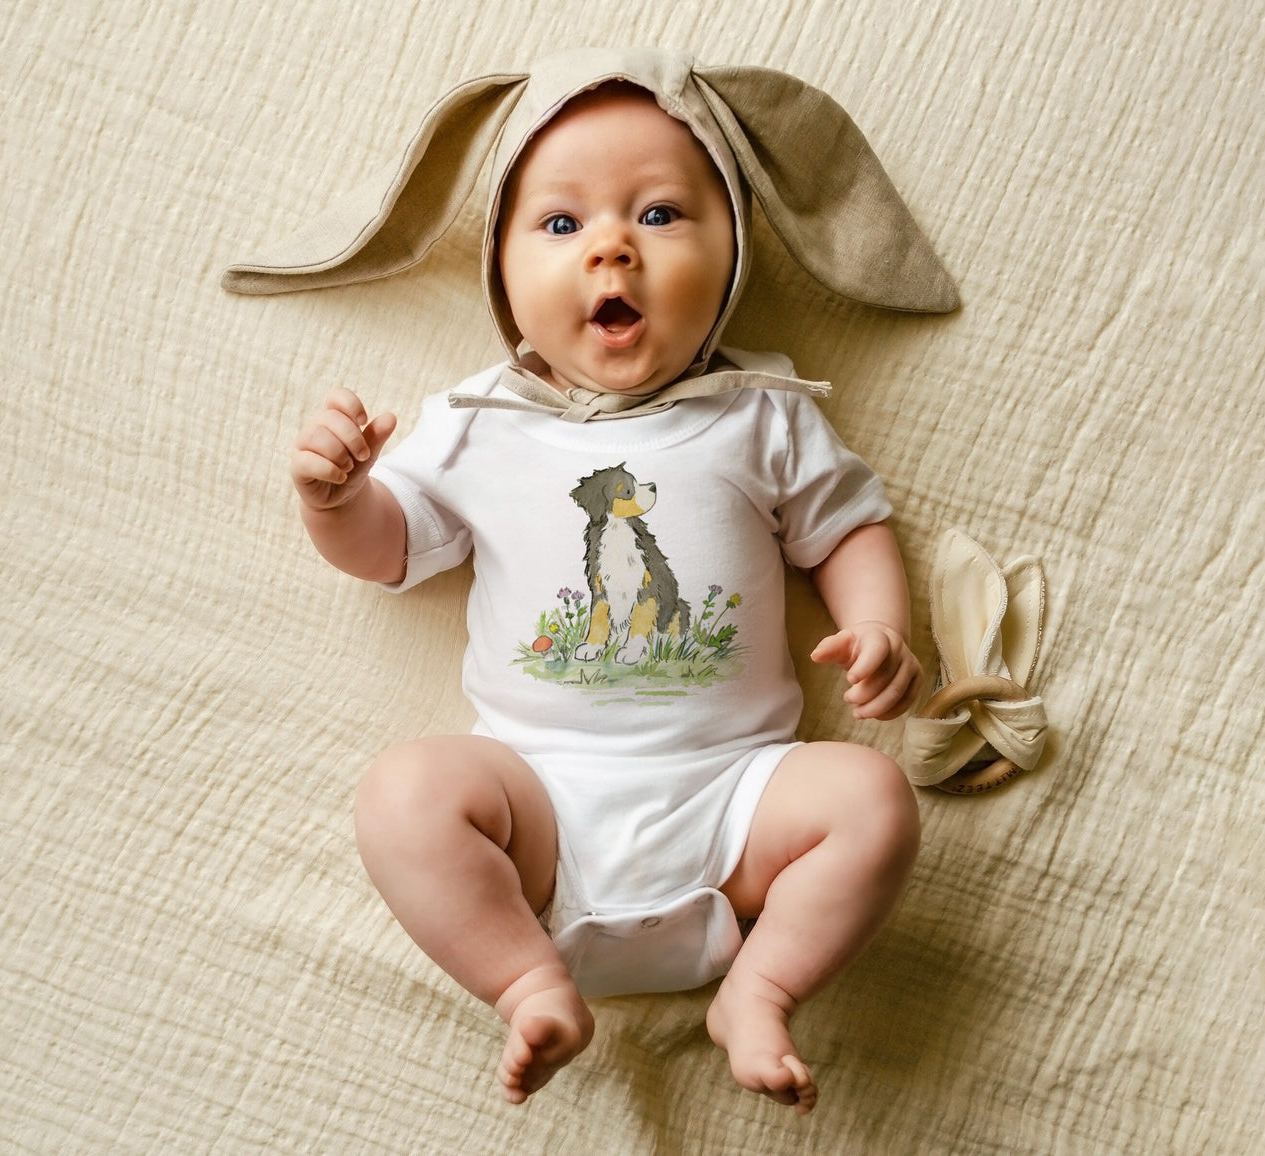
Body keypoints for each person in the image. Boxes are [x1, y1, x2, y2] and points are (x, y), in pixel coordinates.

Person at [246, 48, 959, 1115]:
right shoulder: (476, 421)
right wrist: (337, 501)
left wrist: (877, 625)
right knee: (402, 794)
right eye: (562, 224)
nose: (612, 247)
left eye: (663, 215)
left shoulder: (761, 411)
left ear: (732, 254)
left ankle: (757, 989)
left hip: (734, 805)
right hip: (537, 809)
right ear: (500, 267)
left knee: (870, 799)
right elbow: (390, 551)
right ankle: (527, 982)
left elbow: (844, 525)